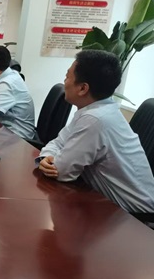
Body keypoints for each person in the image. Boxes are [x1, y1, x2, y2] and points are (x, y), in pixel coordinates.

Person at [38, 50, 154, 213]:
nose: (65, 82)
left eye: (67, 77)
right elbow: (58, 142)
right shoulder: (95, 111)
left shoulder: (95, 120)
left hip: (133, 218)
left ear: (83, 88)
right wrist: (46, 157)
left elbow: (62, 171)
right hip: (107, 206)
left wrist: (51, 162)